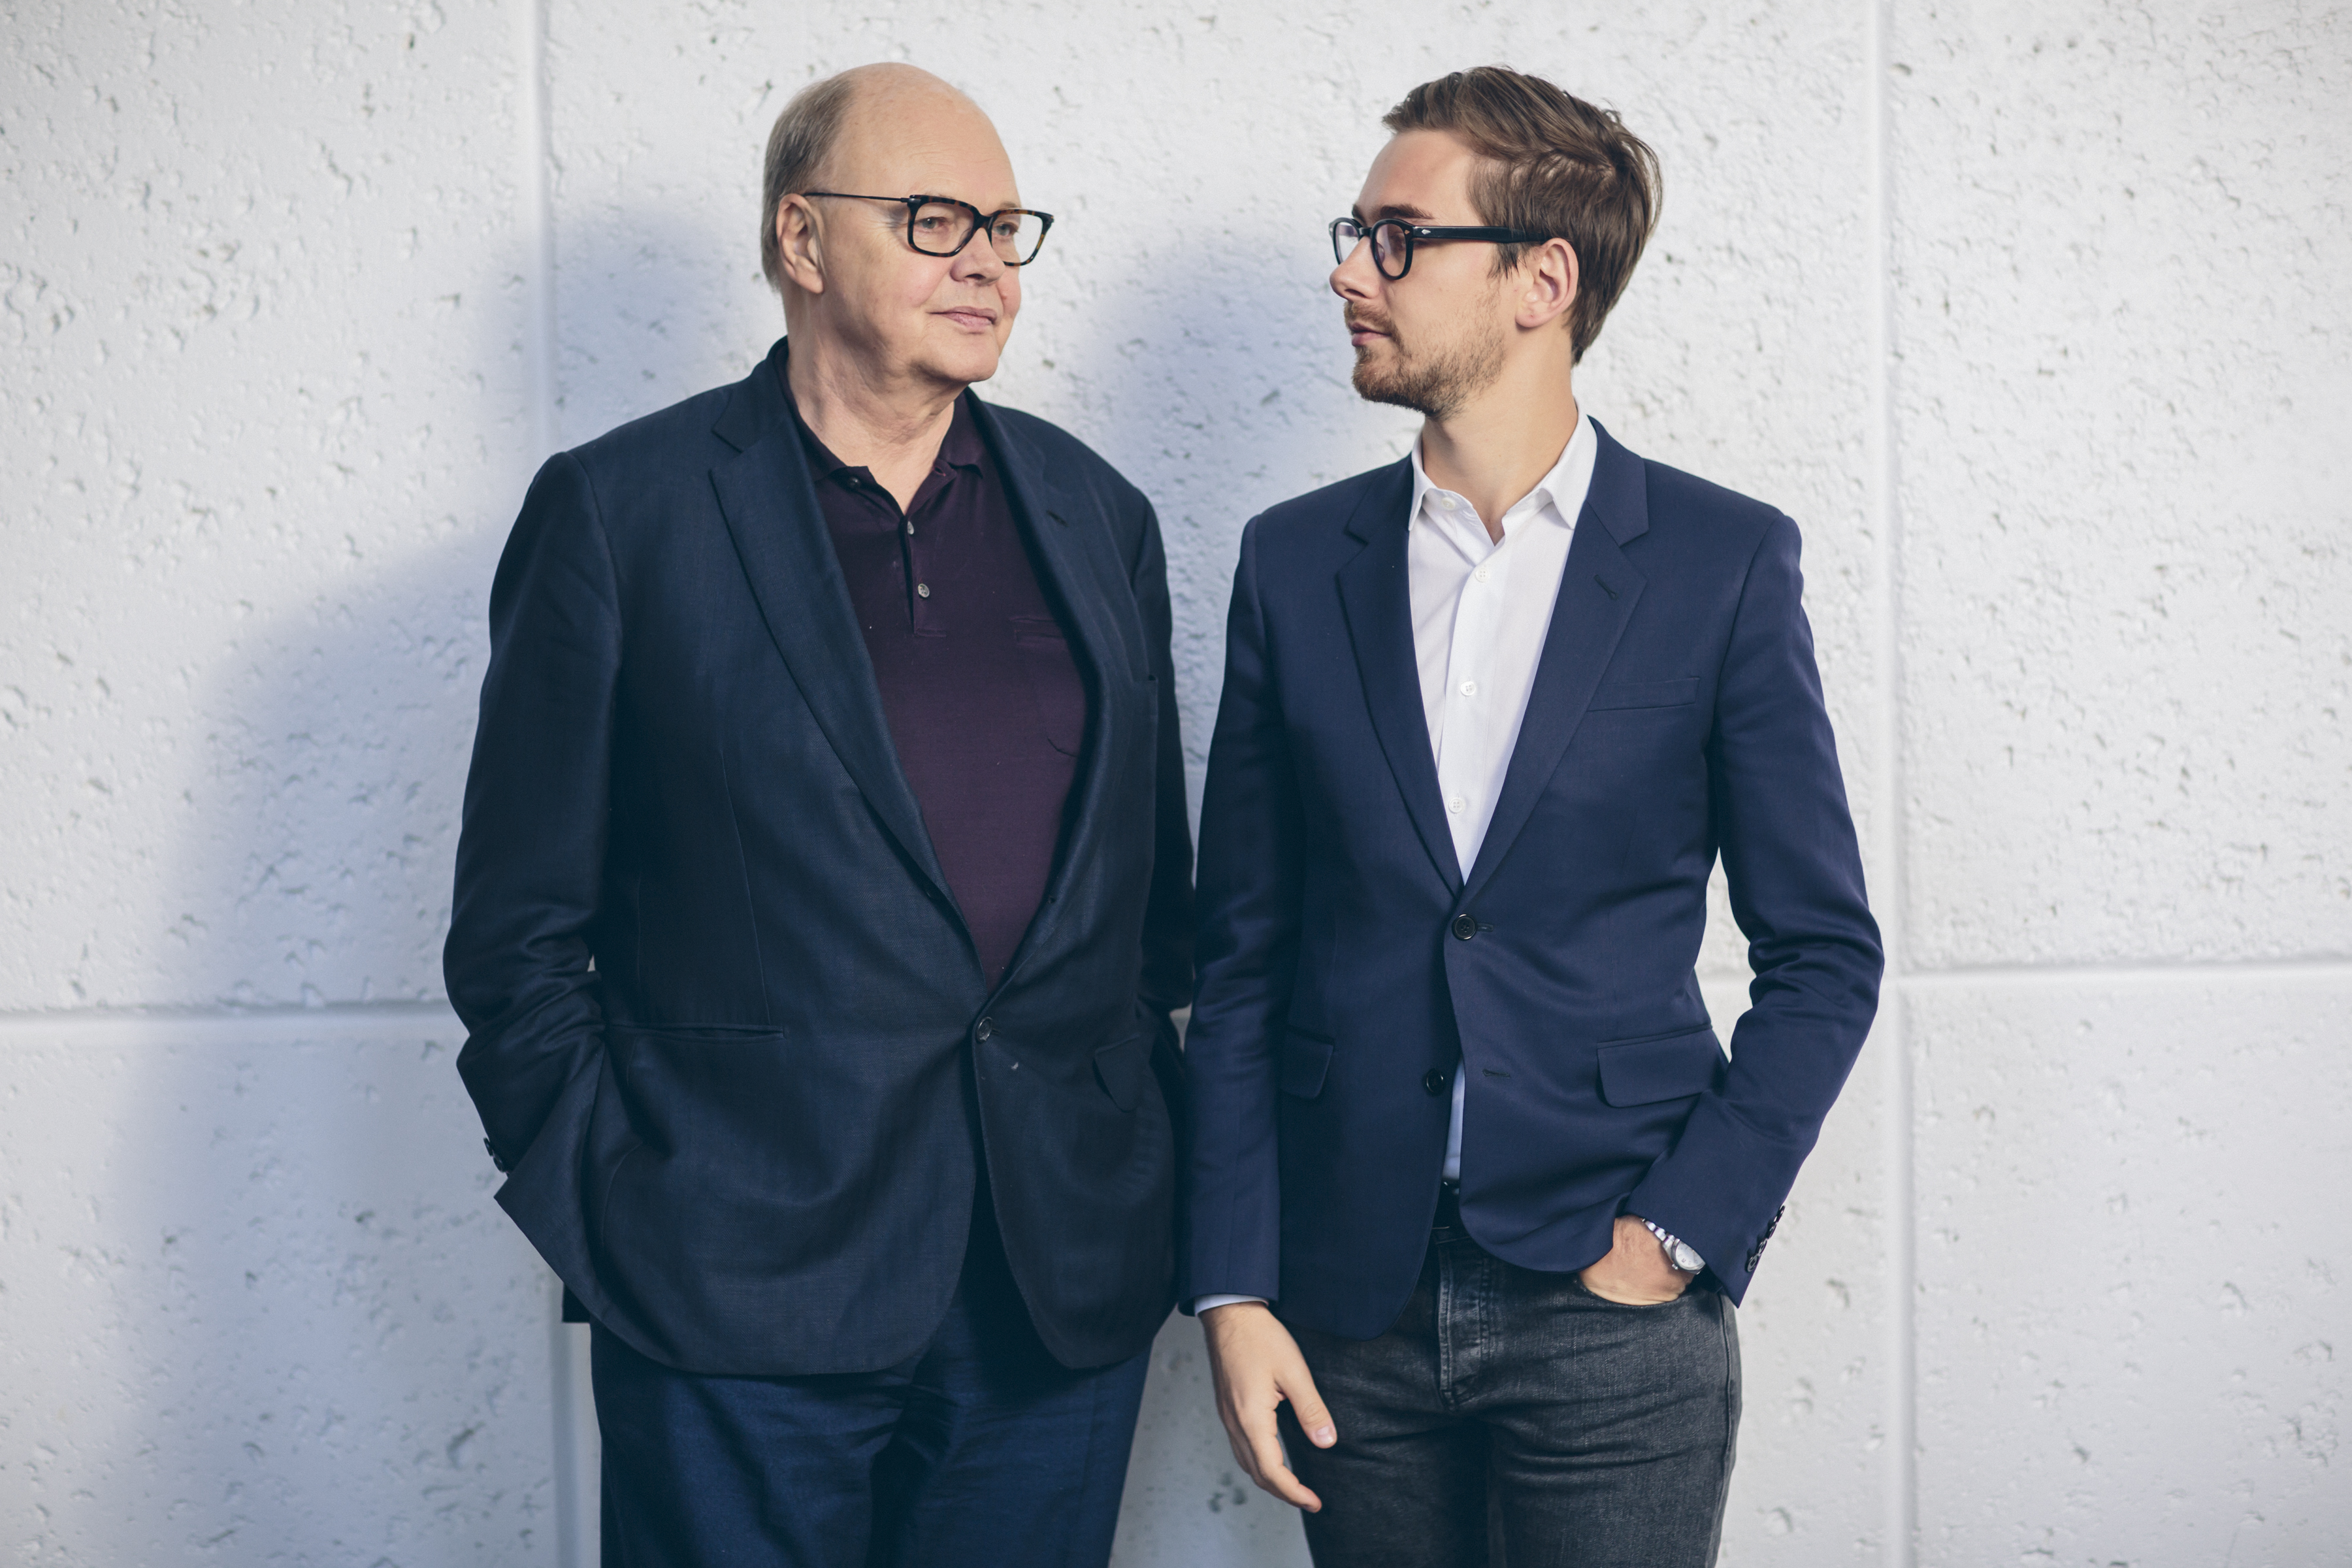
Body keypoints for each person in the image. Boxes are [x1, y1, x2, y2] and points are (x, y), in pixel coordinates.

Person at [444, 63, 1192, 1568]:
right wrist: (626, 1213)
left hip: (1054, 1298)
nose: (986, 259)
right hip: (734, 1289)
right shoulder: (620, 513)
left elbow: (1154, 914)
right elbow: (517, 936)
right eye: (933, 219)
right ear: (801, 238)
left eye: (1005, 225)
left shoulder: (1099, 514)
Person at [1182, 66, 1883, 1567]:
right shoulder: (1295, 567)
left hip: (1610, 1303)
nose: (1347, 271)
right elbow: (1240, 957)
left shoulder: (1720, 563)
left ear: (1539, 280)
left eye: (1395, 237)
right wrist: (1232, 1288)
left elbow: (1824, 953)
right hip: (1347, 1303)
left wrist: (1678, 1238)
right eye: (1353, 231)